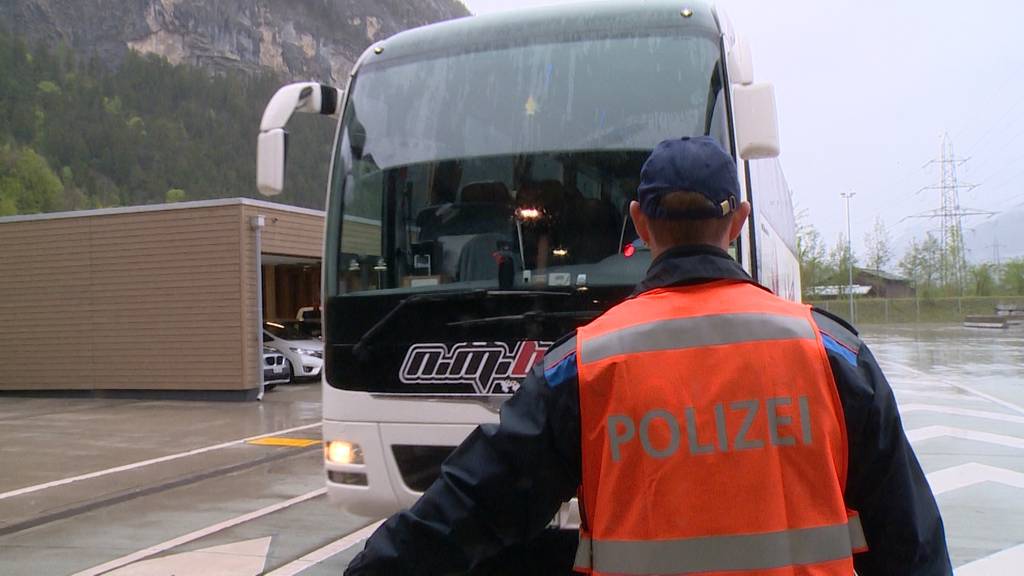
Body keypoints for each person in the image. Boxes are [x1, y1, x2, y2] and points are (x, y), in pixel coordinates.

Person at [344, 136, 952, 575]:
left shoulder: (584, 366)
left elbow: (468, 507)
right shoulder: (832, 354)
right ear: (737, 222)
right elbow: (914, 544)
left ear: (639, 221)